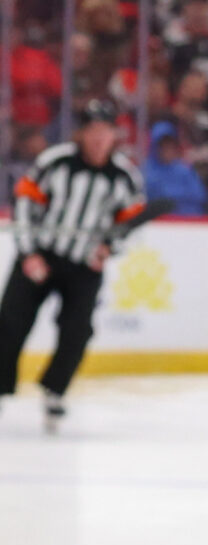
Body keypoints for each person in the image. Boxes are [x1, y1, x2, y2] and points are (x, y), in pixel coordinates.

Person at [2, 100, 146, 433]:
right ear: (82, 133)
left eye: (105, 131)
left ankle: (55, 390)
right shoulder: (55, 162)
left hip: (84, 266)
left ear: (114, 135)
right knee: (9, 324)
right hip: (41, 254)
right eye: (92, 130)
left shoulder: (124, 176)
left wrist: (109, 249)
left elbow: (130, 226)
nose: (99, 138)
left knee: (77, 331)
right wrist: (28, 254)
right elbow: (24, 200)